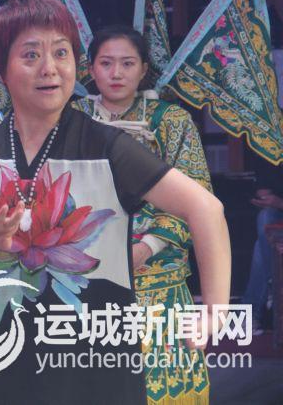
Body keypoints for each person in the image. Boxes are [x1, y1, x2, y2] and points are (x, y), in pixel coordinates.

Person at [0, 0, 230, 404]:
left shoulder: (106, 146)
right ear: (2, 68)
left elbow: (205, 207)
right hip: (1, 357)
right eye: (31, 55)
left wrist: (215, 312)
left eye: (61, 53)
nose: (49, 68)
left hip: (94, 363)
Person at [72, 25, 212, 403]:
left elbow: (197, 196)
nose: (116, 73)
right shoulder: (71, 119)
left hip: (158, 277)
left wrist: (147, 247)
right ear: (90, 68)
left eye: (127, 63)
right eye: (106, 63)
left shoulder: (172, 121)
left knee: (159, 383)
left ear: (143, 69)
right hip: (85, 273)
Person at [243, 150, 283, 334]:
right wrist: (271, 201)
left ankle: (251, 312)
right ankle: (273, 284)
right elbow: (263, 193)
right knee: (265, 219)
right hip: (278, 220)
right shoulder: (269, 152)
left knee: (261, 245)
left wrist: (279, 203)